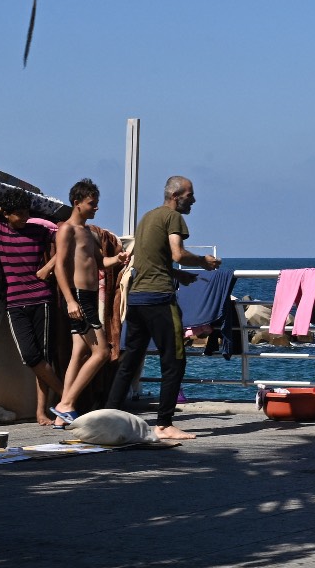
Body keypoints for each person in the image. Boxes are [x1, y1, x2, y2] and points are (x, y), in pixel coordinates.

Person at [105, 176, 221, 440]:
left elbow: (150, 258)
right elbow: (177, 253)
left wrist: (176, 275)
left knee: (130, 360)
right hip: (159, 300)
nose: (193, 200)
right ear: (176, 195)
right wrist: (203, 261)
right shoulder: (173, 218)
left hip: (137, 299)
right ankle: (165, 424)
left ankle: (109, 417)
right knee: (175, 361)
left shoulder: (147, 218)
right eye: (190, 195)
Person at [0, 190, 64, 426]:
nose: (24, 218)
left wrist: (49, 266)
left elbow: (67, 244)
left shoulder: (39, 231)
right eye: (19, 214)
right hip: (15, 302)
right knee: (31, 357)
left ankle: (42, 412)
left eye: (27, 213)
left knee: (44, 359)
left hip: (41, 299)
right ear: (6, 214)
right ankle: (68, 398)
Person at [49, 179, 129, 427]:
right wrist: (70, 300)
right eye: (91, 204)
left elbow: (100, 263)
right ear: (77, 203)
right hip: (79, 297)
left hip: (91, 296)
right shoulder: (67, 230)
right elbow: (60, 267)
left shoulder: (89, 233)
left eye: (96, 204)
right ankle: (67, 403)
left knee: (79, 352)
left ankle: (61, 415)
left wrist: (118, 258)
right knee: (102, 352)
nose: (96, 208)